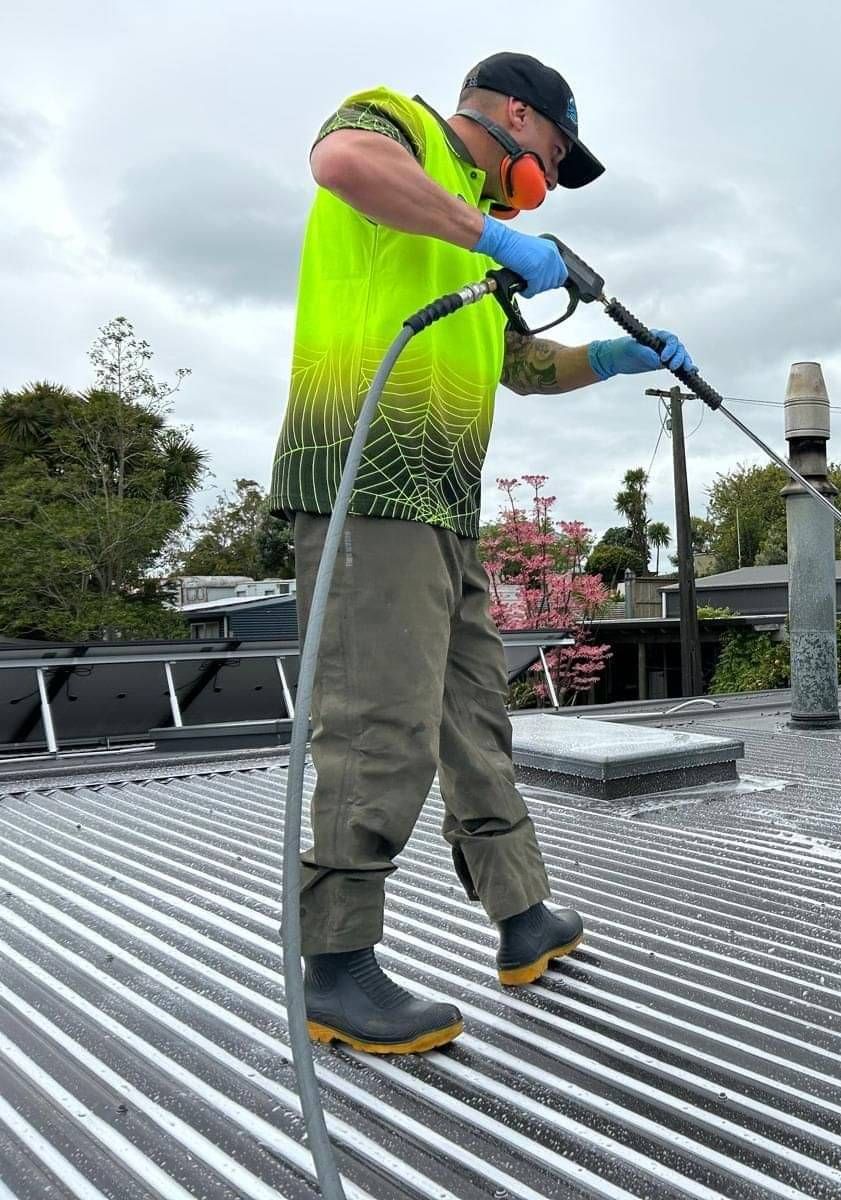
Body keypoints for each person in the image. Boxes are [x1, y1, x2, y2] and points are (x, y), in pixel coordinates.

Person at [267, 52, 694, 1054]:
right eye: (555, 148)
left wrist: (621, 356)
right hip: (365, 481)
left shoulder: (464, 229)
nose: (550, 169)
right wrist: (491, 229)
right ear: (513, 113)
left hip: (443, 508)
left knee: (473, 722)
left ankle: (521, 916)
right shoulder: (398, 130)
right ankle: (334, 968)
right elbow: (339, 163)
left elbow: (522, 368)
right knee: (381, 725)